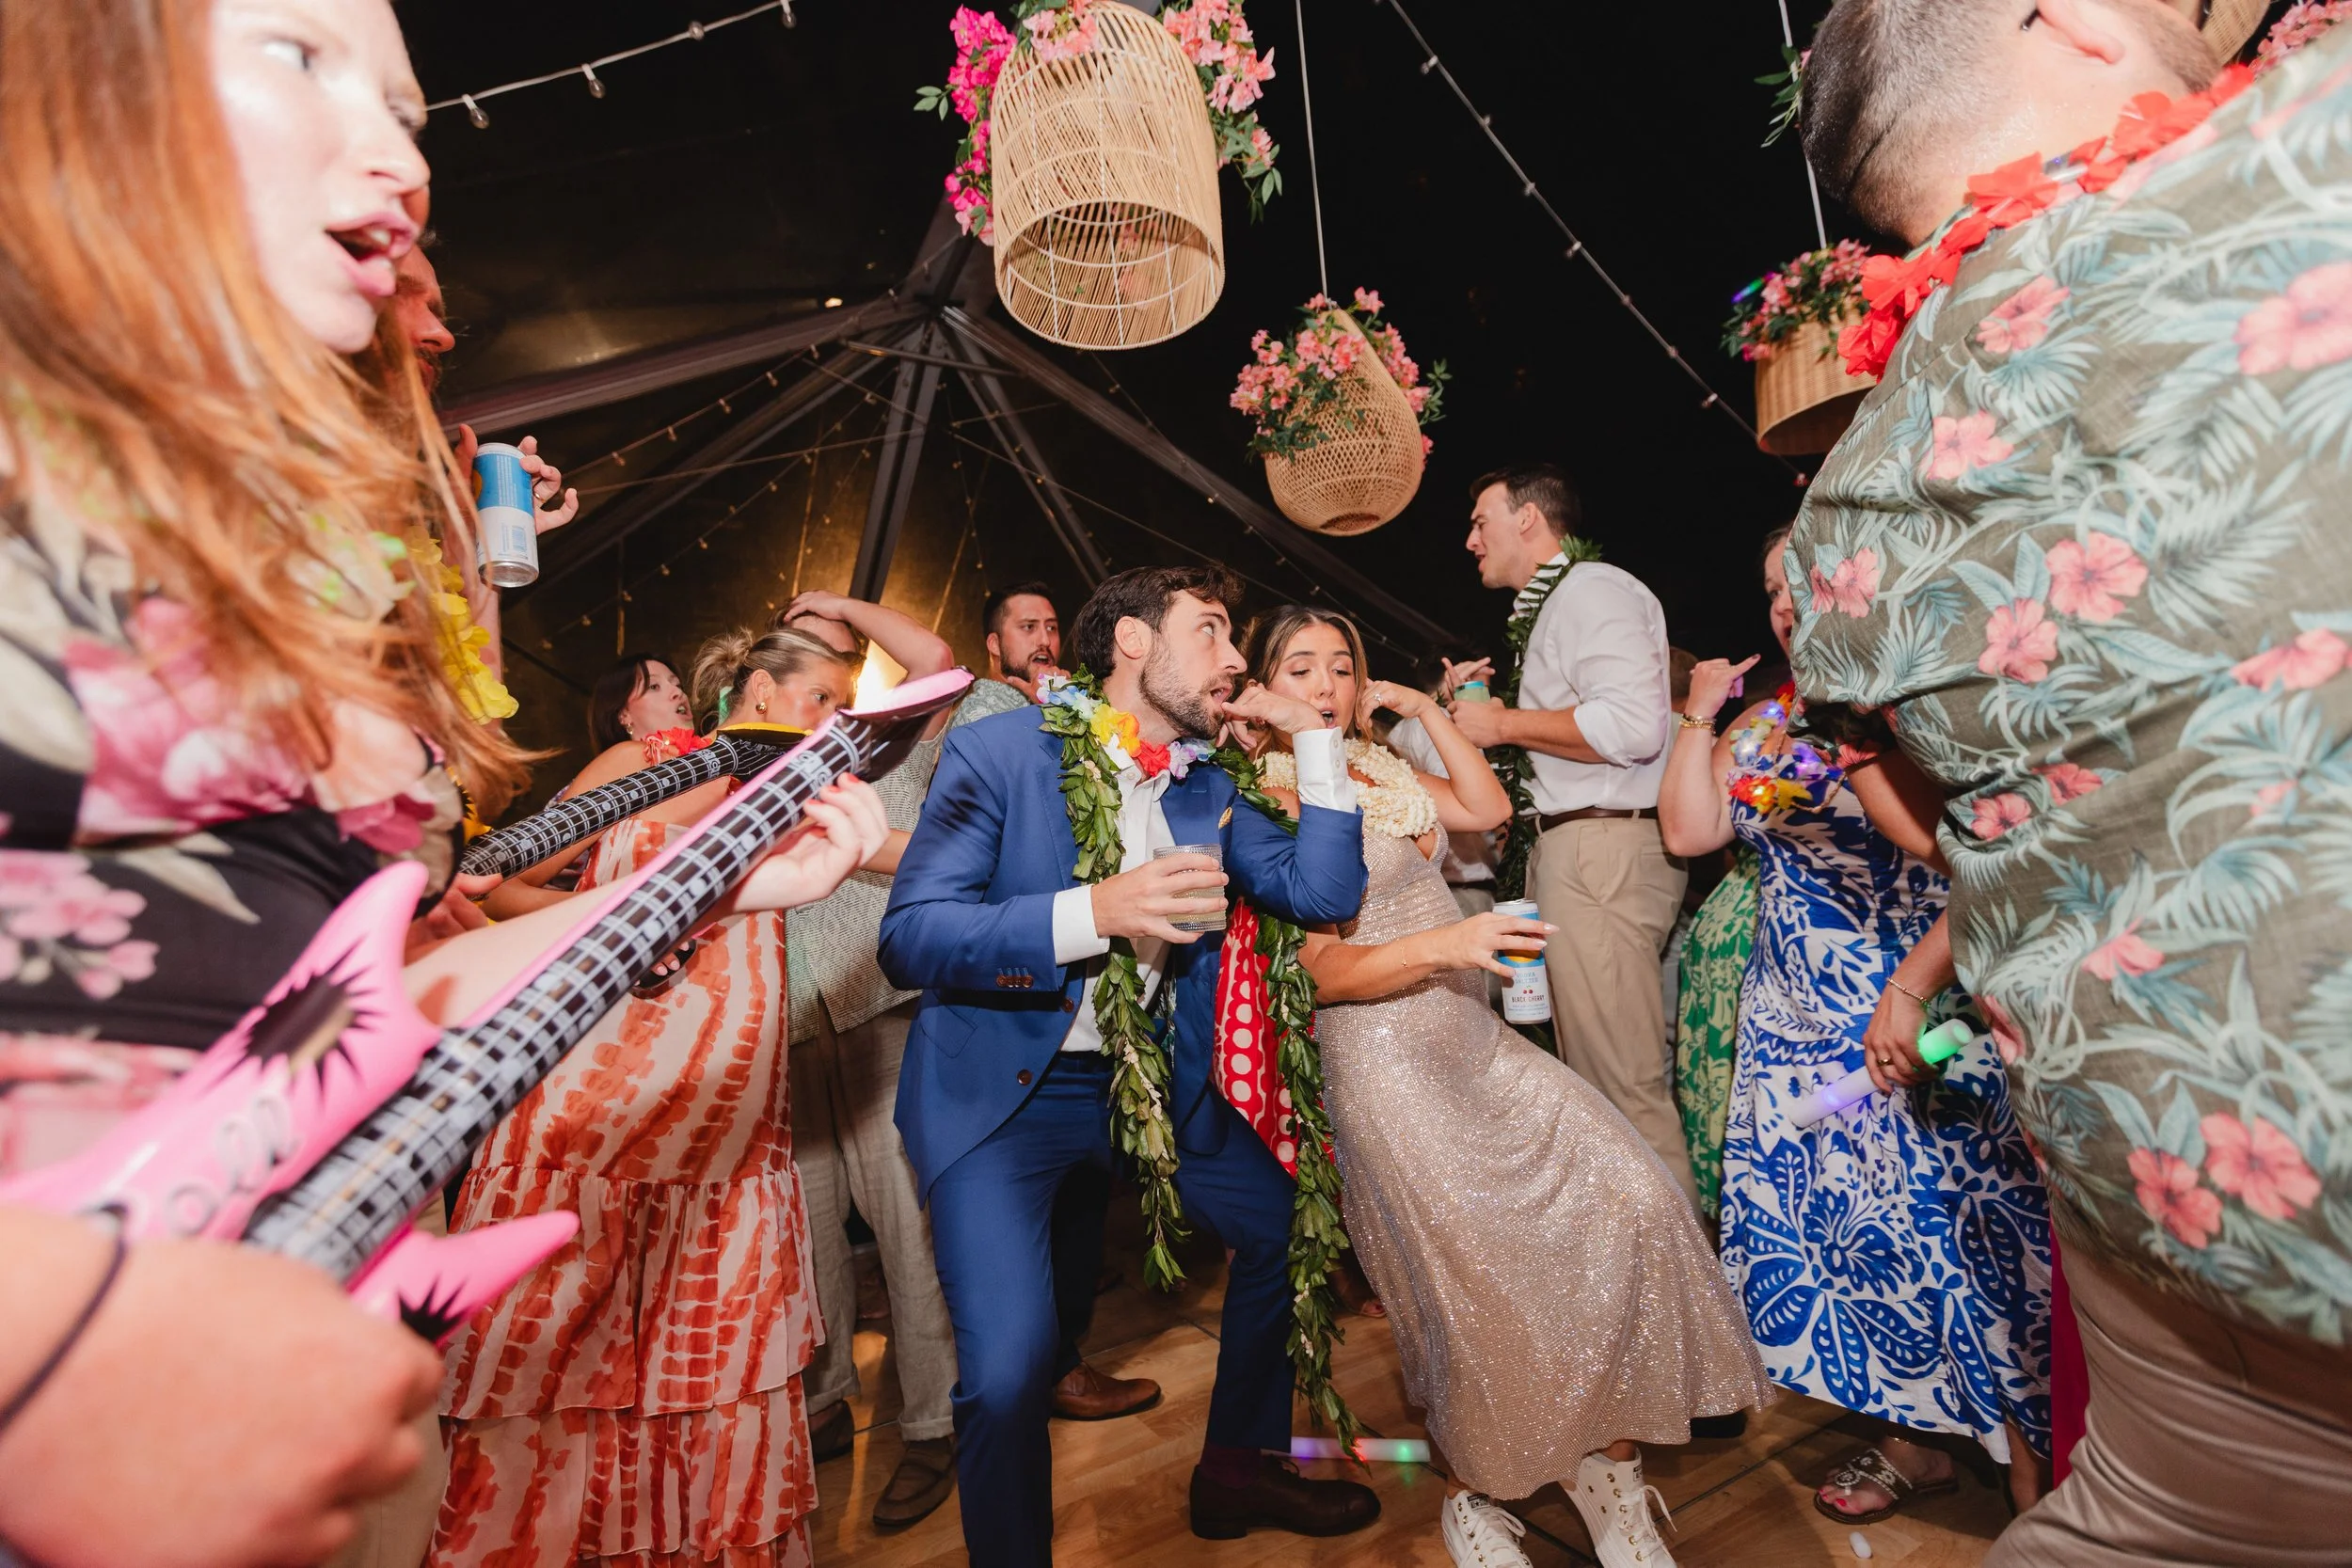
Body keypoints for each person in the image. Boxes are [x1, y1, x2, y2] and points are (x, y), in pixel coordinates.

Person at [0, 1, 880, 1560]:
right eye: (301, 55)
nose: (397, 153)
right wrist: (51, 1344)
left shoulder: (282, 517)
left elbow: (368, 991)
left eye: (407, 104)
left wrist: (716, 877)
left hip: (304, 1383)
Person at [1790, 2, 2352, 1559]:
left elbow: (1942, 803)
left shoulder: (1846, 514)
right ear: (2061, 21)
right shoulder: (2304, 158)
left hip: (2164, 1232)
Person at [1238, 607, 1771, 1568]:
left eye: (1342, 667)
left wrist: (1425, 711)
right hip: (1383, 1063)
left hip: (1470, 1041)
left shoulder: (1377, 767)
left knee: (1630, 1196)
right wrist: (1447, 942)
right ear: (1261, 679)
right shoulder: (1263, 796)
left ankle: (1608, 1472)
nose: (1325, 684)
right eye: (1300, 665)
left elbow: (1483, 811)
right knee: (1478, 1294)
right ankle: (1477, 1491)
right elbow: (1317, 971)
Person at [879, 565, 1378, 1565]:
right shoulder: (998, 751)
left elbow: (1324, 890)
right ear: (1132, 643)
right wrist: (1093, 913)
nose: (1237, 657)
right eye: (1213, 630)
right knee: (1012, 1368)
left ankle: (1236, 1470)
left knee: (1284, 1226)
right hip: (998, 1102)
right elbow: (913, 935)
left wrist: (1315, 740)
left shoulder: (1209, 785)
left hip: (1144, 1088)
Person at [431, 626, 878, 1568]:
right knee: (569, 1372)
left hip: (725, 1126)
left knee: (709, 1379)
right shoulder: (650, 761)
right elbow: (497, 881)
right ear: (760, 687)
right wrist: (616, 923)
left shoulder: (801, 794)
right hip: (603, 1106)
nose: (835, 721)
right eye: (824, 700)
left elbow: (905, 851)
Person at [1660, 529, 2056, 1523]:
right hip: (1790, 1009)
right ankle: (1910, 1436)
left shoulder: (1899, 706)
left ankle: (2033, 1456)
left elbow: (1947, 850)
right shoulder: (1765, 724)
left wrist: (1849, 733)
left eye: (1800, 581)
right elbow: (1691, 831)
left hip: (1905, 1004)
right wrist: (1696, 718)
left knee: (1947, 1222)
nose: (1784, 603)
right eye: (1769, 589)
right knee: (1848, 1231)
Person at [1445, 465, 1696, 1207]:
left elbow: (1631, 724)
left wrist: (1501, 723)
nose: (1470, 539)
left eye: (1481, 520)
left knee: (1625, 1087)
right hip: (1576, 850)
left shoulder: (1590, 589)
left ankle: (1695, 1311)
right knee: (1595, 1081)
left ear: (1528, 519)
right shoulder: (1553, 607)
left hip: (1600, 851)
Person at [980, 579, 1066, 701]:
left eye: (1051, 628)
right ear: (995, 644)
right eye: (1028, 627)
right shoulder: (977, 713)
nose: (1045, 641)